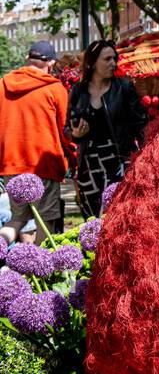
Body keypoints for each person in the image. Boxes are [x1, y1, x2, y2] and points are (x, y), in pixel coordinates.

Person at [0, 39, 72, 241]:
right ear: (50, 63)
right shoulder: (55, 89)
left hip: (11, 163)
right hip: (44, 163)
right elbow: (65, 131)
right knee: (45, 220)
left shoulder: (3, 85)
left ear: (27, 59)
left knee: (17, 219)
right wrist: (71, 158)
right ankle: (41, 270)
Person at [66, 39, 147, 217]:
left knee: (119, 214)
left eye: (114, 58)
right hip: (90, 165)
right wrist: (76, 134)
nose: (113, 63)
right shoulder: (78, 91)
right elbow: (68, 128)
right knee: (93, 217)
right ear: (93, 63)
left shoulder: (124, 87)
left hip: (119, 160)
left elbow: (140, 123)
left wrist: (143, 156)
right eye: (107, 59)